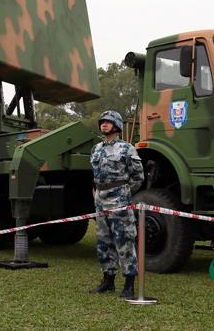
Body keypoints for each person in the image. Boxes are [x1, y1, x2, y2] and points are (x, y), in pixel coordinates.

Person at [90, 110, 144, 299]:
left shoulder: (126, 148)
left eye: (108, 122)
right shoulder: (96, 149)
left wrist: (124, 193)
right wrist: (96, 192)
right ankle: (108, 281)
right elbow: (95, 174)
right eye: (102, 122)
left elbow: (138, 176)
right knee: (103, 241)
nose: (104, 124)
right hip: (100, 200)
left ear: (117, 126)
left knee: (124, 240)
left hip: (119, 200)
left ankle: (129, 284)